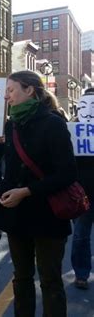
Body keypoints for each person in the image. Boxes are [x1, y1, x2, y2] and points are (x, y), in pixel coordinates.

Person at [0, 70, 78, 317]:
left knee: (50, 281)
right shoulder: (11, 125)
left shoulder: (53, 123)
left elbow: (67, 174)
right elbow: (6, 170)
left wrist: (27, 191)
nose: (6, 96)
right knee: (21, 278)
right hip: (17, 217)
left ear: (29, 89)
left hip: (49, 216)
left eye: (11, 90)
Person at [70, 87, 94, 290]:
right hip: (82, 194)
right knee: (80, 236)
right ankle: (81, 273)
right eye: (84, 106)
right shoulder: (72, 132)